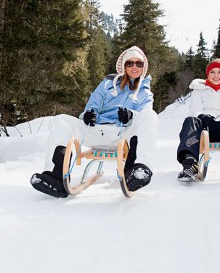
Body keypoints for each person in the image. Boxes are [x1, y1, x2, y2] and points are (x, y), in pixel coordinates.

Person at [31, 45, 159, 198]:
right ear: (123, 66)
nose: (134, 67)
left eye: (139, 63)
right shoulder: (107, 84)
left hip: (123, 135)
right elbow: (93, 104)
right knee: (61, 120)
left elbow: (143, 117)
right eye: (129, 63)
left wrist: (131, 115)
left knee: (150, 115)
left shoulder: (146, 94)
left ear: (143, 67)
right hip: (96, 131)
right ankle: (55, 176)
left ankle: (138, 171)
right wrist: (88, 113)